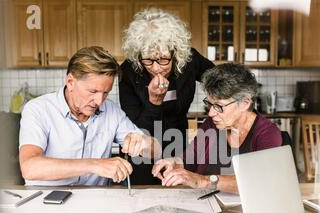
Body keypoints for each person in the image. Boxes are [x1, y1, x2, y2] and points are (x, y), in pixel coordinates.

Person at [19, 46, 161, 186]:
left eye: (105, 93)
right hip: (46, 203)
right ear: (70, 82)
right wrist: (94, 164)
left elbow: (156, 150)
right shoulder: (38, 109)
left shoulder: (111, 110)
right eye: (93, 91)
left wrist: (143, 143)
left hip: (95, 204)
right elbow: (29, 167)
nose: (99, 101)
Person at [152, 63, 282, 194]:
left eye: (219, 106)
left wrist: (202, 181)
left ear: (244, 103)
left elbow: (260, 181)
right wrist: (174, 162)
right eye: (209, 104)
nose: (211, 113)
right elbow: (190, 158)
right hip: (207, 203)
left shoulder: (267, 134)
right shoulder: (212, 124)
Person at [119, 8, 214, 184]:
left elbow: (218, 81)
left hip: (177, 143)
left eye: (163, 59)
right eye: (147, 60)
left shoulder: (189, 61)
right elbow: (135, 128)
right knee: (143, 195)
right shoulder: (129, 71)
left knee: (178, 193)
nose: (156, 68)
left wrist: (219, 107)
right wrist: (153, 102)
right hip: (143, 150)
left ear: (176, 52)